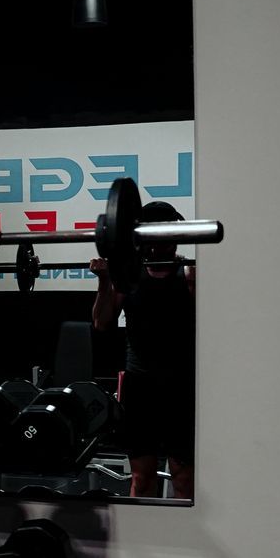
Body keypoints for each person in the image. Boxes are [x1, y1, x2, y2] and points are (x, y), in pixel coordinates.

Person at [91, 200, 195, 498]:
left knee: (184, 476)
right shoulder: (129, 276)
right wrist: (104, 281)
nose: (159, 243)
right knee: (141, 476)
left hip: (181, 387)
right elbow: (101, 323)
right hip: (141, 387)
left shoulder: (189, 275)